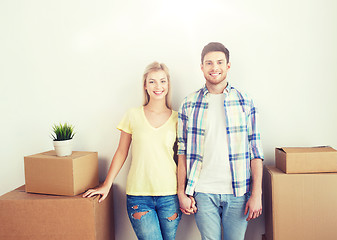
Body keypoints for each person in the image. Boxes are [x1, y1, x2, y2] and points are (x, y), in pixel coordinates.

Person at [83, 62, 181, 240]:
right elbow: (121, 152)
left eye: (162, 81)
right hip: (139, 196)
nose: (158, 86)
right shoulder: (133, 115)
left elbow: (183, 159)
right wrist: (106, 184)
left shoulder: (178, 119)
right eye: (152, 82)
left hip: (170, 195)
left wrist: (185, 192)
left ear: (168, 84)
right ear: (145, 85)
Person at [177, 42, 264, 240]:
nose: (214, 67)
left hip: (238, 192)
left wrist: (256, 194)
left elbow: (256, 151)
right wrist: (182, 192)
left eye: (219, 62)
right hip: (202, 191)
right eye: (208, 63)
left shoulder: (245, 101)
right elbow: (181, 151)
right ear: (201, 67)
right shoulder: (189, 103)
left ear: (228, 66)